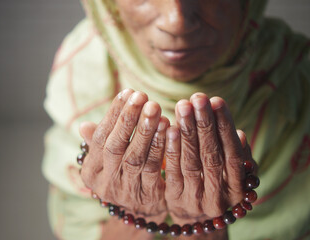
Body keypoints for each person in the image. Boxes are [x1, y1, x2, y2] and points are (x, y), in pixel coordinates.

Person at [42, 0, 310, 239]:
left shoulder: (300, 82)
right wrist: (134, 215)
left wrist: (203, 225)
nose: (177, 22)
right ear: (110, 6)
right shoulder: (82, 78)